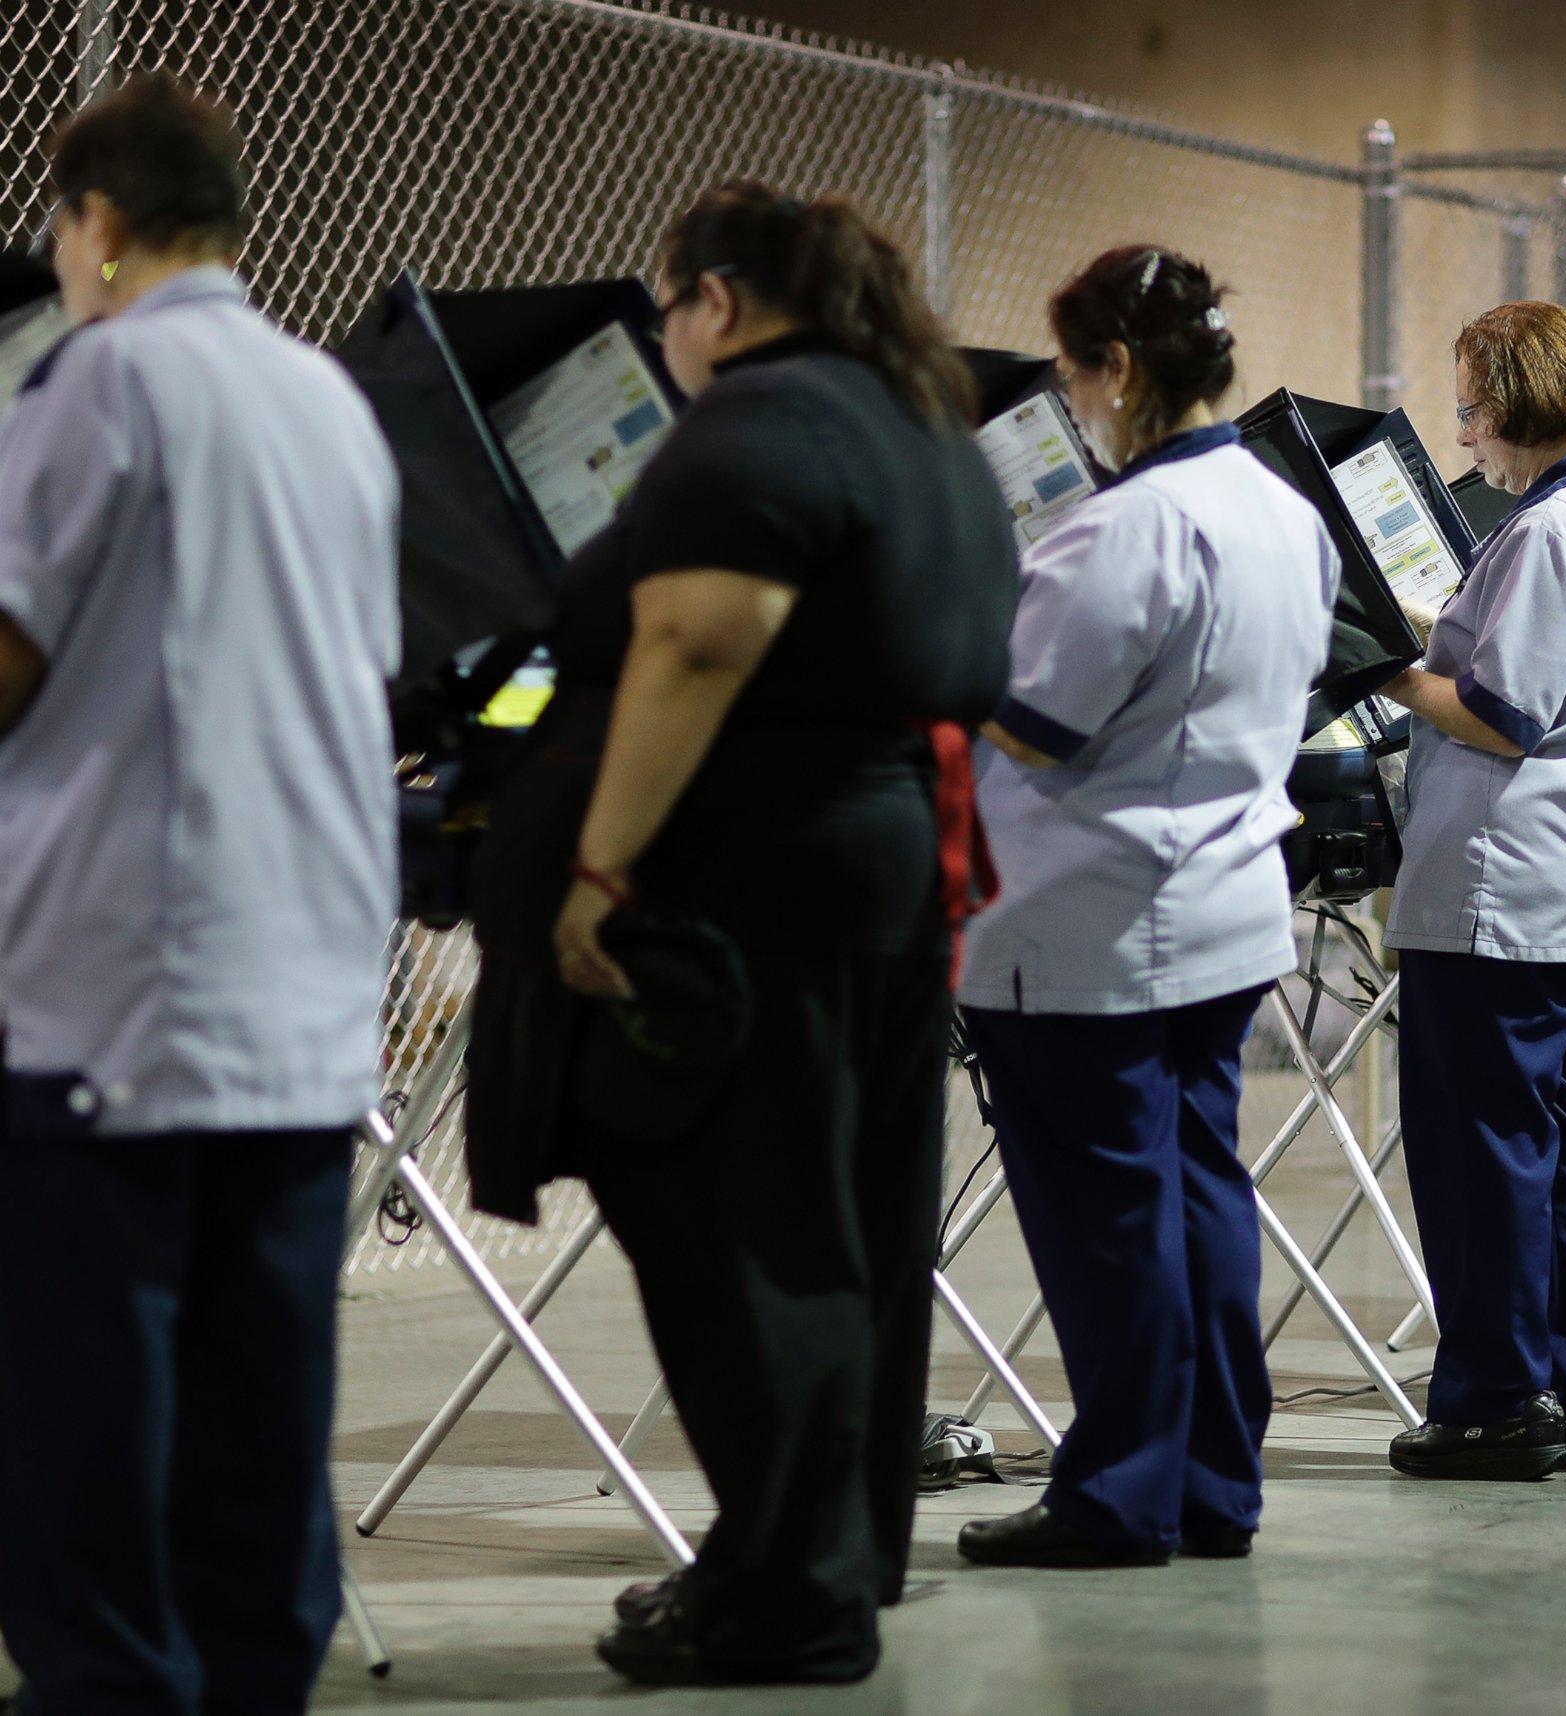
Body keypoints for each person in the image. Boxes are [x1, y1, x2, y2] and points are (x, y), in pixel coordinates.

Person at [464, 181, 1017, 1686]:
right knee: (844, 1233)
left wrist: (596, 863)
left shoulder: (761, 422)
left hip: (760, 883)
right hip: (886, 876)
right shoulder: (918, 425)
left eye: (668, 314)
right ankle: (809, 1558)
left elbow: (696, 640)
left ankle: (791, 1594)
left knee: (745, 1233)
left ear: (714, 299)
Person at [0, 74, 399, 1714]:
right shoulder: (327, 399)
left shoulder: (100, 383)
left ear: (92, 223)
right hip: (300, 996)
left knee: (92, 1418)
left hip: (121, 995)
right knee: (259, 1414)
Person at [953, 246, 1339, 1569]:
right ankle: (1213, 1482)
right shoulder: (1284, 507)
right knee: (1198, 1197)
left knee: (1112, 1222)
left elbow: (1043, 727)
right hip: (1221, 905)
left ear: (1116, 370)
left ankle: (1120, 1495)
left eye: (1074, 373)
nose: (1071, 399)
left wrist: (949, 634)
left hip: (1094, 926)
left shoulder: (1120, 530)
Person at [1378, 301, 1566, 1480]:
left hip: (1507, 887)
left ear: (1503, 405)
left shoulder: (1552, 532)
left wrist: (1375, 664)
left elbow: (1499, 716)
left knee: (1484, 1148)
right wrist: (1421, 630)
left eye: (1466, 411)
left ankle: (1499, 1397)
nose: (1464, 440)